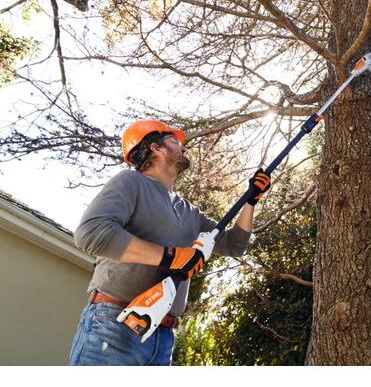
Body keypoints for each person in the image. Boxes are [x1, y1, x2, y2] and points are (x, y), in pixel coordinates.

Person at [68, 120, 270, 365]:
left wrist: (251, 201)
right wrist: (172, 256)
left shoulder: (189, 212)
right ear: (155, 148)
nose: (183, 147)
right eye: (175, 141)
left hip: (163, 337)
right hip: (115, 325)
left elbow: (234, 245)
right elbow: (91, 233)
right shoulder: (131, 183)